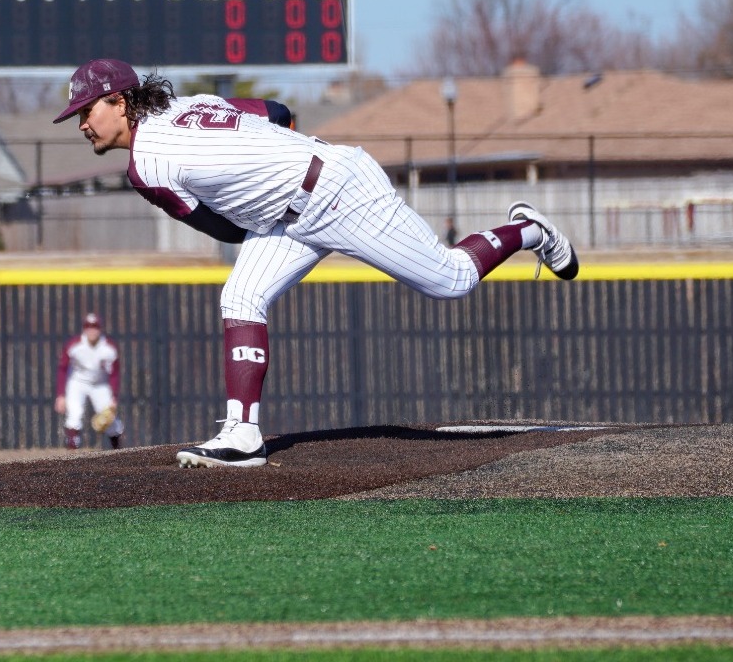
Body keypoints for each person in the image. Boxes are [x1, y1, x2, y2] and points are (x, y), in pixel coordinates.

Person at [53, 58, 578, 468]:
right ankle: (242, 433)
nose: (81, 124)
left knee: (452, 279)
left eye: (85, 111)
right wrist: (273, 166)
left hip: (338, 193)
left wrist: (273, 184)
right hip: (295, 207)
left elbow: (225, 230)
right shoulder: (190, 102)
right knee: (240, 296)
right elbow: (275, 112)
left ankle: (529, 228)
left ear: (118, 101)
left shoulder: (145, 166)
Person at [56, 311, 125, 450]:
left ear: (100, 329)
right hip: (78, 382)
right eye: (89, 326)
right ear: (84, 329)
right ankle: (72, 452)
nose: (92, 330)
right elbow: (62, 368)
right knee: (74, 414)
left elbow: (114, 374)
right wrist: (61, 395)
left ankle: (118, 451)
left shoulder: (108, 347)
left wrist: (114, 397)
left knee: (109, 417)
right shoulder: (74, 345)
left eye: (95, 327)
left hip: (99, 384)